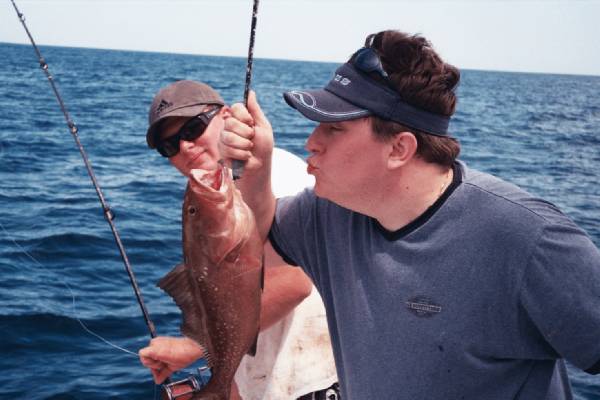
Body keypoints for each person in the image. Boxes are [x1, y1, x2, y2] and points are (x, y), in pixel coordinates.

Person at [218, 30, 600, 399]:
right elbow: (259, 229)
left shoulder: (528, 237)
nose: (311, 142)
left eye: (334, 129)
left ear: (399, 148)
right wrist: (257, 168)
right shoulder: (330, 214)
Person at [137, 80, 338, 399]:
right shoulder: (207, 193)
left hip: (311, 384)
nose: (185, 147)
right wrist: (227, 385)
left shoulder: (272, 172)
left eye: (193, 129)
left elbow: (294, 282)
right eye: (169, 146)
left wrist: (192, 347)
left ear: (226, 117)